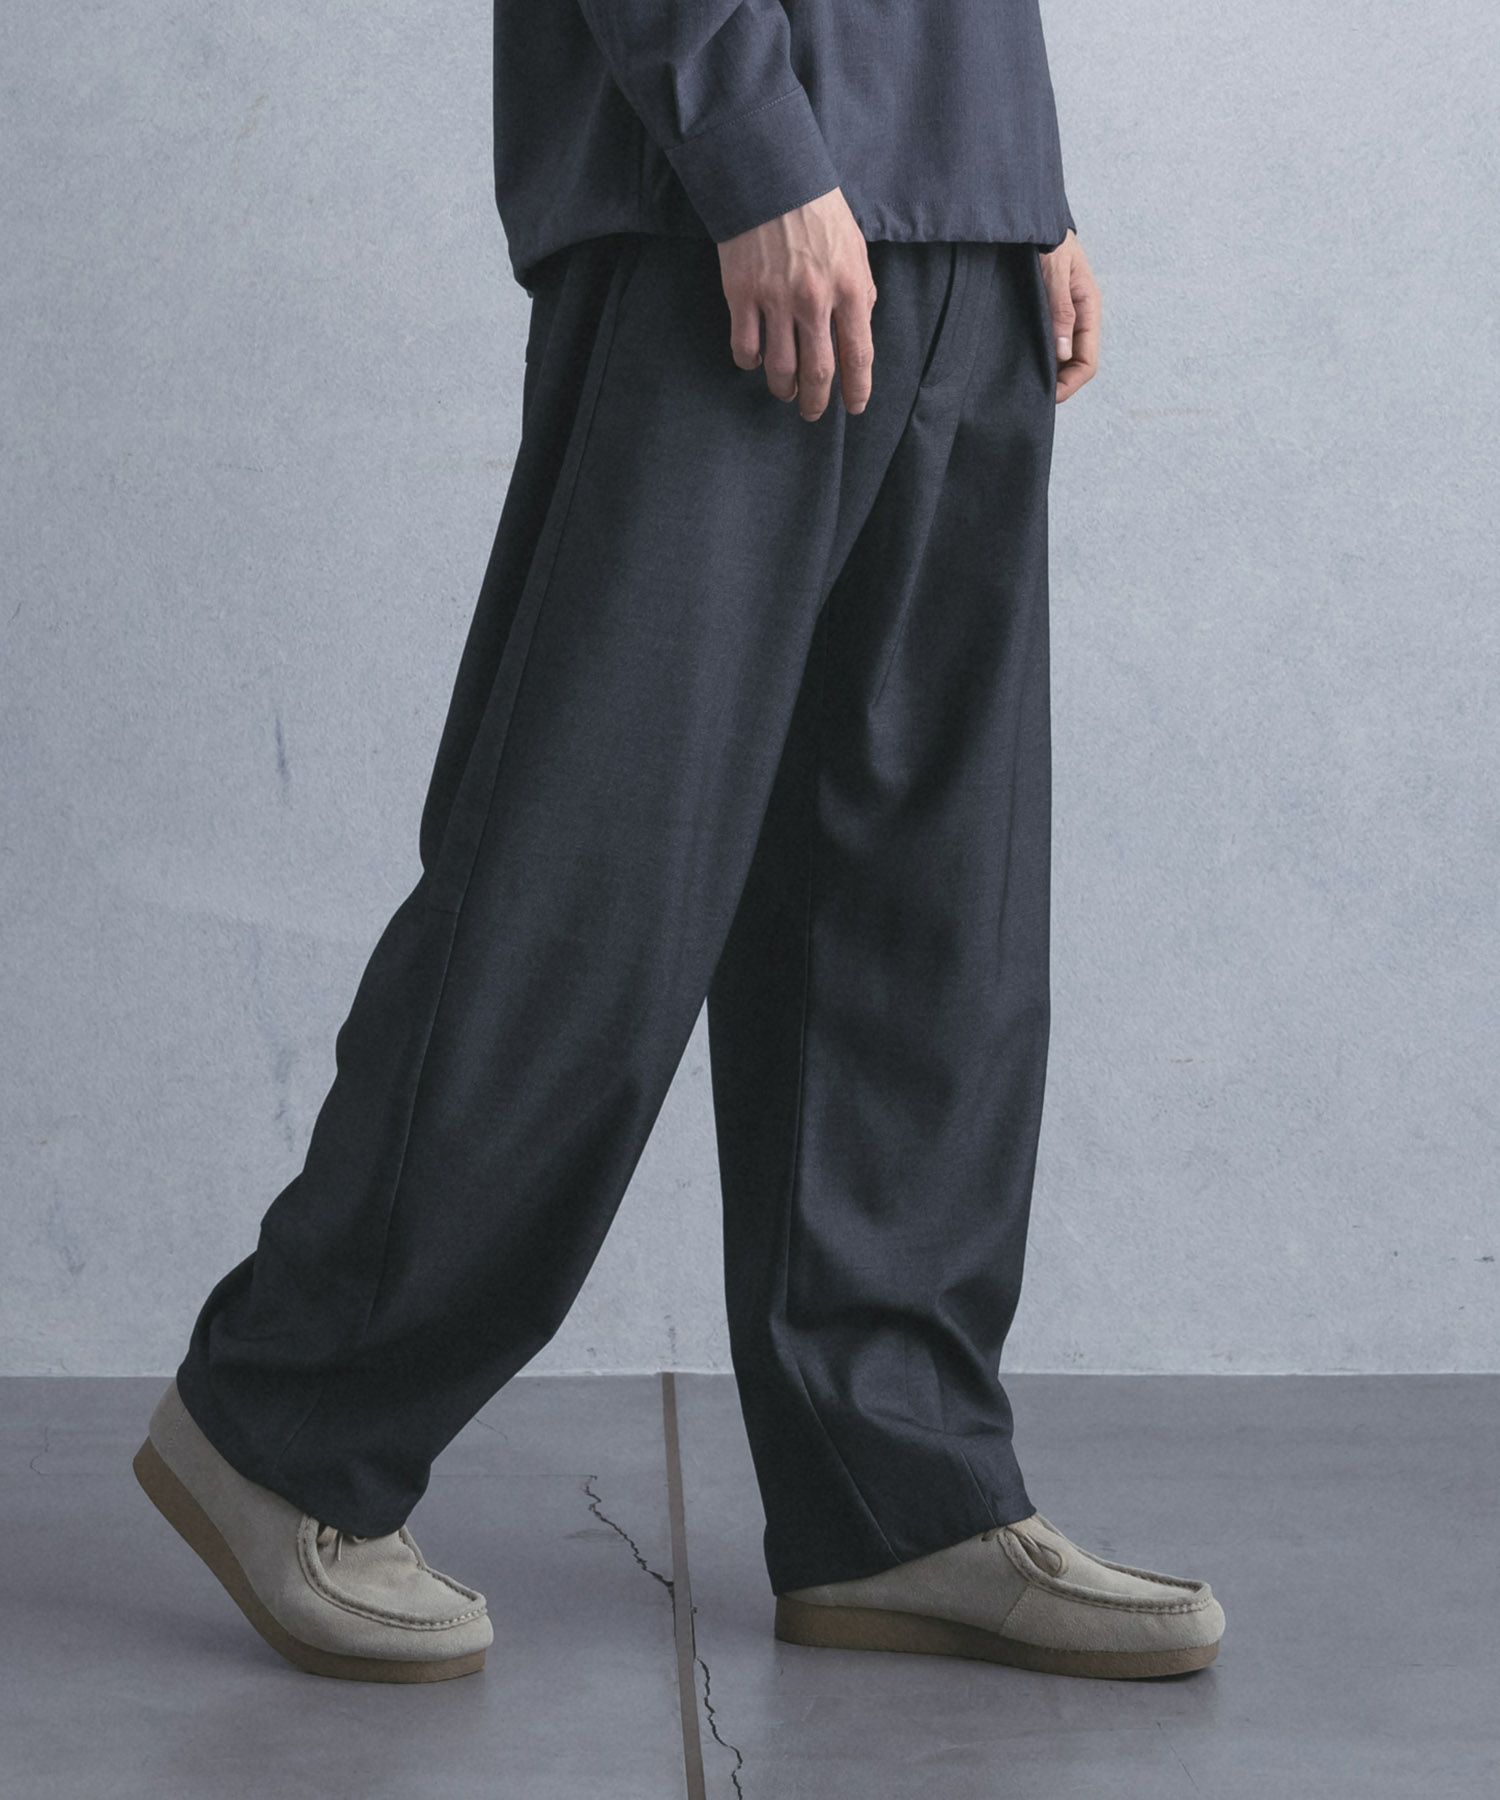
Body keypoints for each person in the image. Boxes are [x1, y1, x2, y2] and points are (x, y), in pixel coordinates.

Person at [134, 0, 1225, 1685]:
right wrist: (748, 137)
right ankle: (286, 1425)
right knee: (588, 886)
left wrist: (1022, 176)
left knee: (927, 914)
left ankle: (895, 1491)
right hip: (728, 209)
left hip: (963, 210)